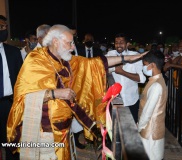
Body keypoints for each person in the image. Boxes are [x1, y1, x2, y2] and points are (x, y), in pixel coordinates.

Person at [6, 24, 146, 160]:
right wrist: (55, 94)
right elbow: (22, 98)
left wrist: (127, 58)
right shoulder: (35, 61)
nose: (73, 47)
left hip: (64, 129)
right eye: (69, 43)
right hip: (45, 132)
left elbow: (94, 64)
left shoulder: (66, 60)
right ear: (55, 41)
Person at [105, 33, 146, 123]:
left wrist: (122, 72)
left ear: (127, 44)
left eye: (121, 42)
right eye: (116, 42)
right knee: (115, 129)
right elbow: (104, 70)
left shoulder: (135, 56)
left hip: (131, 100)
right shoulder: (110, 55)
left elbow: (142, 79)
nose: (118, 44)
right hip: (115, 100)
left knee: (131, 129)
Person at [0, 15, 23, 160]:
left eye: (5, 27)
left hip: (9, 105)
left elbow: (21, 81)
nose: (4, 30)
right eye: (1, 27)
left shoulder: (14, 52)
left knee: (11, 142)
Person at [138, 50, 167, 160]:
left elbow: (147, 112)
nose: (143, 68)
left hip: (150, 131)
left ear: (152, 65)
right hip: (151, 128)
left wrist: (139, 127)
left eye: (145, 65)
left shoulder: (156, 86)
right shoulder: (157, 81)